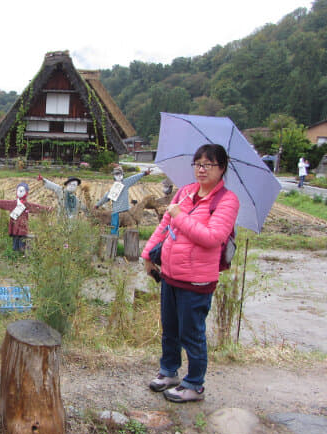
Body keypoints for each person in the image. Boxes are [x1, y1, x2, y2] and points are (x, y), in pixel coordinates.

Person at [141, 144, 239, 403]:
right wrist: (148, 255)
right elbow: (164, 226)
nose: (202, 169)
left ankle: (194, 384)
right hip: (171, 273)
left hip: (197, 280)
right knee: (170, 328)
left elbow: (213, 237)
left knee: (191, 333)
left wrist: (180, 216)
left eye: (209, 164)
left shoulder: (226, 201)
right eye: (197, 163)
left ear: (222, 168)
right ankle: (169, 371)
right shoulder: (185, 192)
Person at [0, 182, 52, 251]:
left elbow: (36, 207)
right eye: (19, 190)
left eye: (22, 191)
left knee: (22, 240)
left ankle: (21, 252)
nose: (20, 192)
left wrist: (47, 209)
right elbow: (1, 203)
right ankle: (16, 253)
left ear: (26, 193)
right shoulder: (12, 203)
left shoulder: (27, 205)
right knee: (15, 241)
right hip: (14, 226)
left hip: (22, 227)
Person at [95, 166, 150, 235]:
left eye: (120, 174)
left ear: (122, 175)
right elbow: (106, 197)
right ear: (114, 176)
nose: (118, 176)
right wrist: (97, 205)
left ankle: (128, 240)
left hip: (126, 209)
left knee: (130, 227)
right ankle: (114, 241)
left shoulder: (125, 182)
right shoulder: (114, 188)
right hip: (116, 211)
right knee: (114, 228)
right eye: (116, 174)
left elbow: (134, 178)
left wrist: (144, 173)